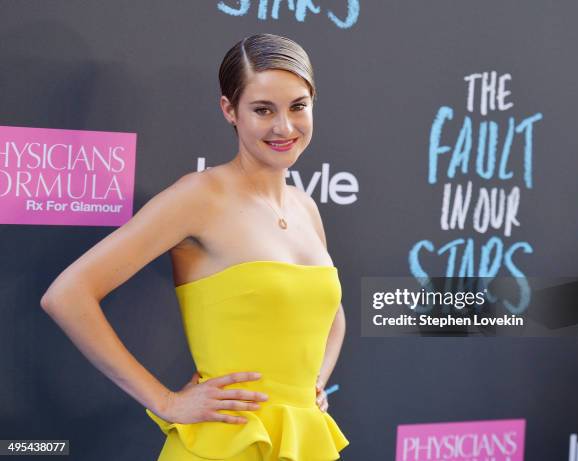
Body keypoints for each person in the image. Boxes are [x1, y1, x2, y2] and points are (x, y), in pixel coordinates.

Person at [40, 33, 349, 460]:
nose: (284, 126)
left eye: (298, 106)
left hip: (300, 442)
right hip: (224, 445)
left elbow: (333, 315)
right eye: (263, 109)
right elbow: (67, 295)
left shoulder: (307, 209)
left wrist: (311, 383)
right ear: (230, 111)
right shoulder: (198, 197)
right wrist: (165, 401)